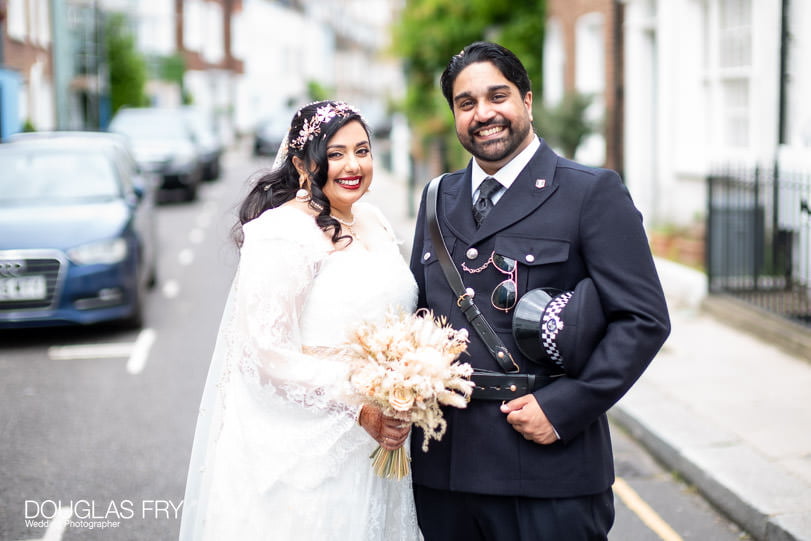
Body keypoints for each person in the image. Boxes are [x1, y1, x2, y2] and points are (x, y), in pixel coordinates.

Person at [409, 41, 671, 540]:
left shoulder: (591, 192)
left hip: (547, 469)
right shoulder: (436, 198)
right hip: (446, 470)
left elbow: (644, 319)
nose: (484, 114)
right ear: (455, 116)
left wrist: (565, 407)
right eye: (467, 104)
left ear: (527, 100)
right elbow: (420, 315)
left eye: (497, 96)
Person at [179, 100, 420, 540]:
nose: (353, 165)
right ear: (301, 163)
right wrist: (359, 406)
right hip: (311, 458)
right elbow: (265, 354)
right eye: (335, 153)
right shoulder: (282, 233)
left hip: (381, 442)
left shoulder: (374, 219)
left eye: (362, 150)